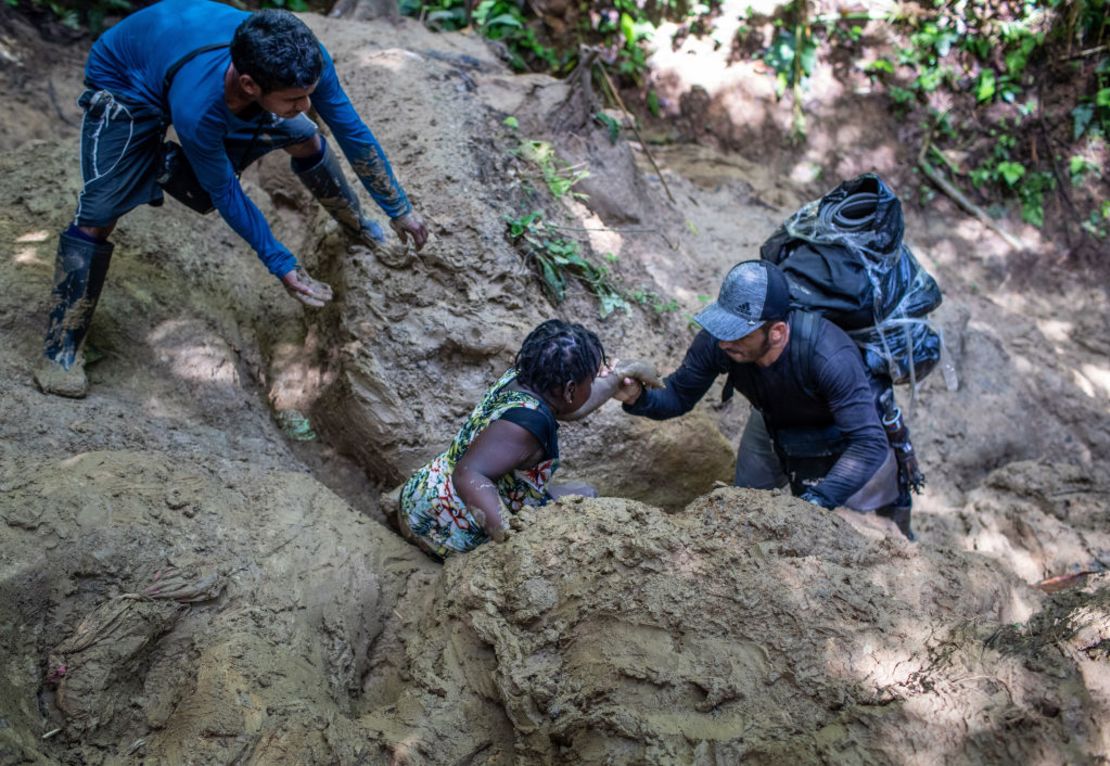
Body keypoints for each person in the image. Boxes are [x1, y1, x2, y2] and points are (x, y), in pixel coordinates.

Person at [34, 1, 429, 398]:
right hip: (127, 78)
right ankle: (61, 349)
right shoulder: (199, 108)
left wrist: (398, 208)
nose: (306, 105)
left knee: (307, 135)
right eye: (294, 99)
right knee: (100, 213)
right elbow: (225, 190)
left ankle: (357, 225)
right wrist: (280, 262)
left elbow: (351, 130)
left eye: (307, 94)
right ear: (250, 86)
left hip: (186, 59)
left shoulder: (305, 61)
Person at [615, 259, 914, 539]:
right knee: (743, 509)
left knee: (861, 535)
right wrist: (638, 397)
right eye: (722, 328)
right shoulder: (719, 342)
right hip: (773, 419)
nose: (723, 341)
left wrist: (817, 501)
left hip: (844, 433)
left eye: (737, 333)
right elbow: (677, 396)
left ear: (777, 332)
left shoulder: (829, 355)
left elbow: (868, 443)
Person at [391, 319, 660, 560]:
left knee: (576, 494)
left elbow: (576, 405)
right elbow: (469, 474)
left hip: (421, 497)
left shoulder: (526, 379)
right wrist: (512, 541)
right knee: (586, 497)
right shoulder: (525, 427)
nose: (591, 388)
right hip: (445, 533)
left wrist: (623, 374)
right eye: (589, 381)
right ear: (569, 389)